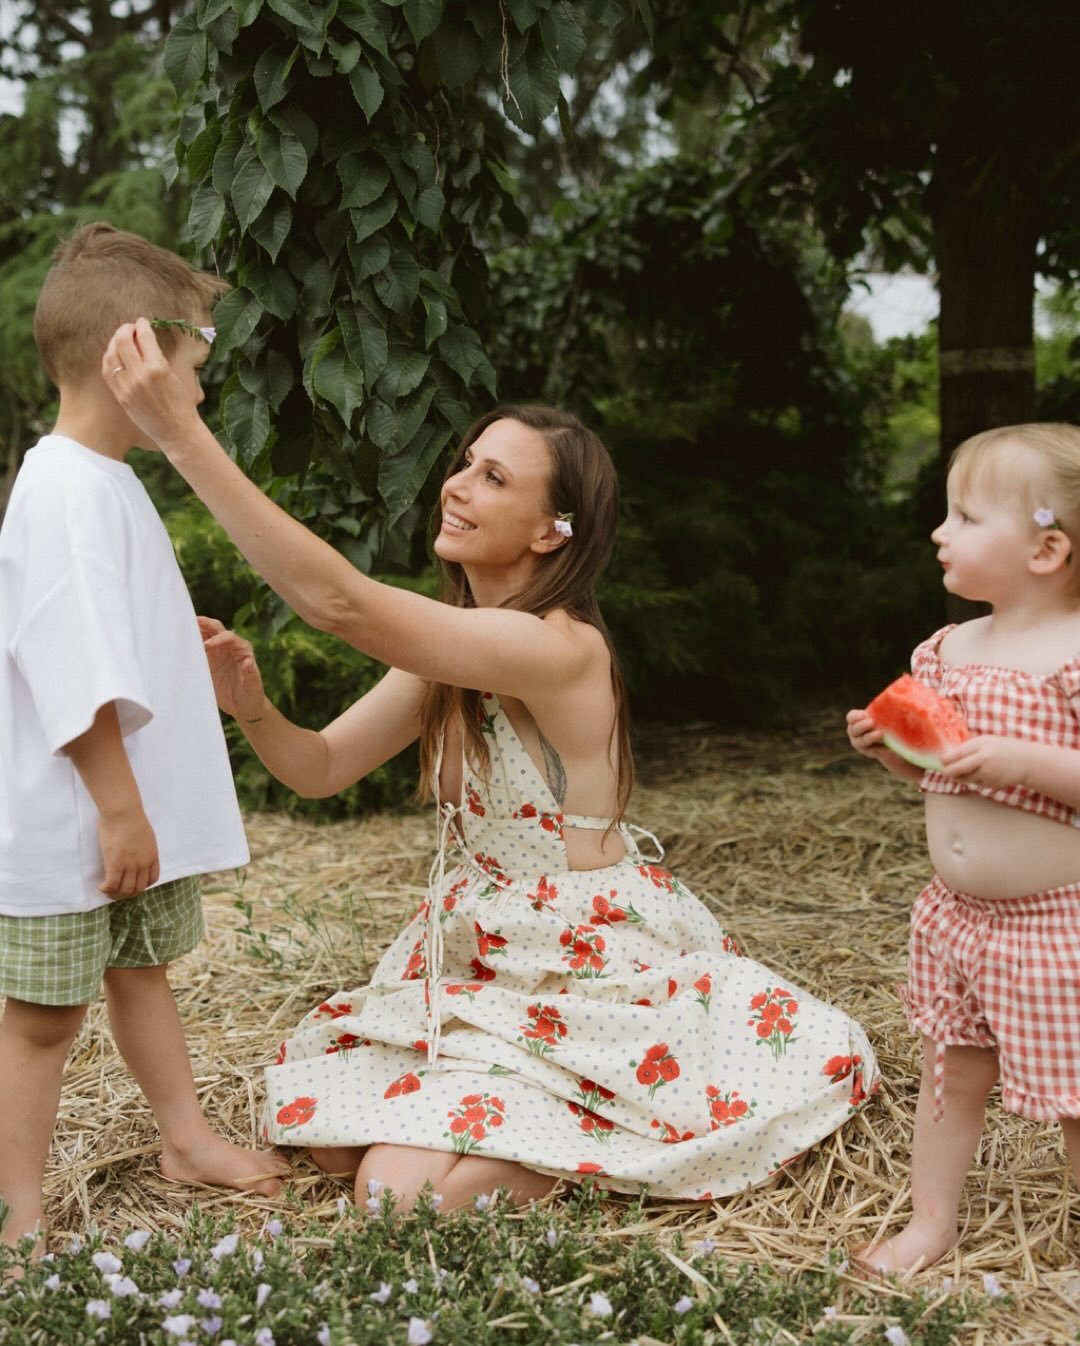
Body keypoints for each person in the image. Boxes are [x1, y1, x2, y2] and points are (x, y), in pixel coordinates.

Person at [103, 317, 877, 1212]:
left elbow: (338, 602)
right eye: (465, 464)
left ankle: (583, 1145)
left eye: (494, 477)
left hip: (589, 966)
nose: (457, 486)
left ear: (552, 532)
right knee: (328, 1148)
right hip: (483, 954)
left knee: (395, 1194)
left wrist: (181, 435)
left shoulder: (559, 649)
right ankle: (518, 1132)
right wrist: (254, 707)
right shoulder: (455, 655)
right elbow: (317, 769)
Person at [0, 225, 287, 1257]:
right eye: (196, 366)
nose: (200, 394)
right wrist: (120, 807)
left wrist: (176, 647)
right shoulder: (65, 490)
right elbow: (68, 669)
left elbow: (109, 637)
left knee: (139, 971)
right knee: (40, 1017)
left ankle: (185, 1135)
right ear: (135, 355)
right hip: (83, 816)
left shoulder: (105, 480)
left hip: (124, 812)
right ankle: (16, 1210)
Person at [847, 421, 1080, 1274]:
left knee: (1078, 1100)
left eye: (966, 517)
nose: (939, 532)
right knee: (951, 1080)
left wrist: (1026, 760)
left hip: (1059, 927)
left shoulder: (1075, 656)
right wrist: (892, 755)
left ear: (1047, 549)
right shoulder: (944, 652)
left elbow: (1023, 776)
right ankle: (929, 1225)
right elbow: (944, 778)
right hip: (955, 920)